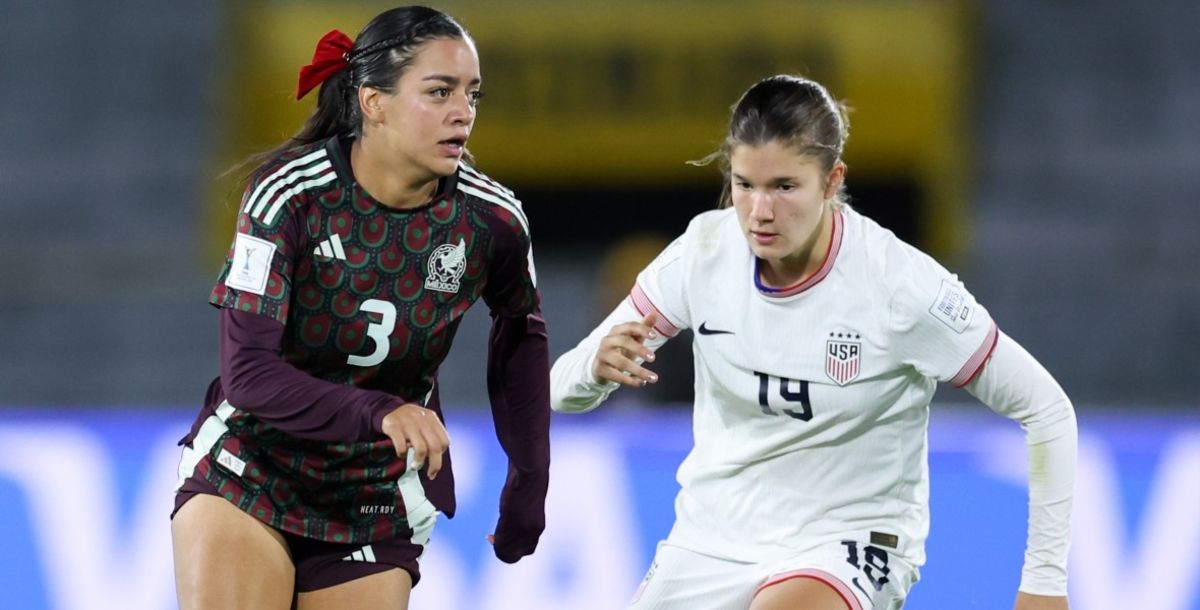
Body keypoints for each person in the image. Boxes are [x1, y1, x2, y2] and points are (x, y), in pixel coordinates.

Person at [551, 75, 1076, 610]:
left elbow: (1046, 409)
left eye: (784, 186)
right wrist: (594, 367)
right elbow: (557, 390)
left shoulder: (899, 287)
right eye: (744, 185)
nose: (759, 211)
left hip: (845, 541)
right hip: (711, 542)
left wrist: (1045, 584)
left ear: (831, 181)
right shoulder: (702, 255)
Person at [171, 7, 550, 610]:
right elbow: (247, 375)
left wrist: (529, 480)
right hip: (252, 469)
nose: (464, 113)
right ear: (373, 101)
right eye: (439, 92)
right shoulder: (289, 195)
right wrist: (378, 411)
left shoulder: (492, 221)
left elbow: (520, 337)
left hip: (373, 498)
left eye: (472, 94)